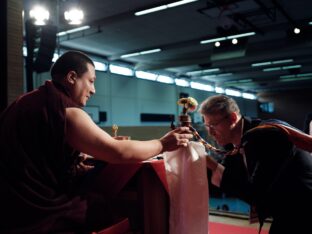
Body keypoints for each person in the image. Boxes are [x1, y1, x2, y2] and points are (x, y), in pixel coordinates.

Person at [0, 51, 193, 233]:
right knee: (101, 206)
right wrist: (162, 143)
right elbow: (117, 152)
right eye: (91, 81)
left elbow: (39, 155)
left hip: (8, 207)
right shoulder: (68, 112)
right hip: (38, 212)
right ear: (72, 77)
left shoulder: (21, 103)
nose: (93, 90)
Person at [199, 95, 312, 234]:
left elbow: (256, 194)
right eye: (207, 126)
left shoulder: (265, 135)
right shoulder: (236, 143)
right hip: (289, 212)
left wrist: (211, 163)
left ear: (233, 118)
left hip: (303, 212)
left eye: (213, 125)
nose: (210, 132)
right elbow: (228, 178)